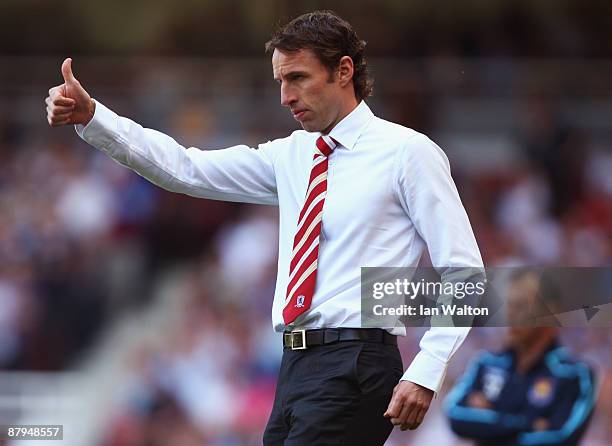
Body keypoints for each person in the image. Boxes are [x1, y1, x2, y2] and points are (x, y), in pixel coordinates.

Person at [46, 10, 483, 445]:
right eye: (280, 81)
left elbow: (464, 272)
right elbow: (186, 168)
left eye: (297, 78)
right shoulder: (291, 155)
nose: (285, 96)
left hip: (357, 362)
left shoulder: (407, 152)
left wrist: (427, 367)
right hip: (294, 367)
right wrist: (93, 117)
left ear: (343, 70)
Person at [444, 269, 597, 446]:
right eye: (508, 306)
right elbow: (455, 415)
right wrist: (528, 423)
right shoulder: (485, 364)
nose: (510, 315)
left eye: (521, 306)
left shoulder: (574, 375)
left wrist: (489, 421)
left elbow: (561, 437)